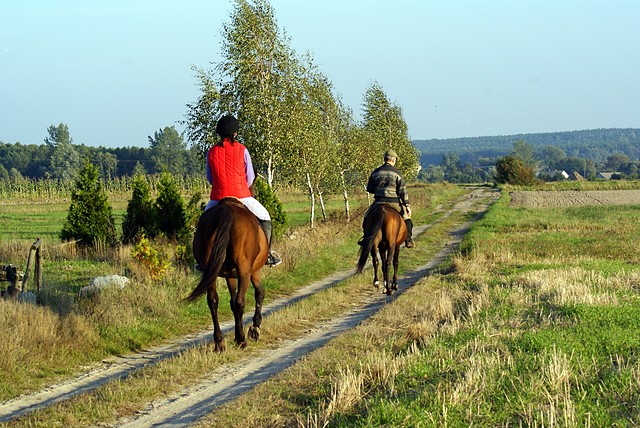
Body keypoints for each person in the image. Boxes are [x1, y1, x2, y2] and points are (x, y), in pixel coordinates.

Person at [204, 114, 282, 267]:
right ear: (235, 133)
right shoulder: (242, 150)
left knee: (203, 222)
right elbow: (250, 177)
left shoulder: (211, 152)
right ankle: (267, 255)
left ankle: (202, 259)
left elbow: (210, 178)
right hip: (242, 196)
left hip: (218, 197)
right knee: (266, 218)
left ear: (219, 133)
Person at [361, 148, 415, 248]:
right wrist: (407, 205)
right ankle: (408, 239)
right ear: (393, 160)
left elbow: (369, 188)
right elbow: (402, 191)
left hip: (378, 202)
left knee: (366, 216)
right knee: (407, 219)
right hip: (394, 203)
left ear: (385, 159)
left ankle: (366, 238)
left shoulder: (376, 172)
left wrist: (378, 190)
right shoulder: (397, 173)